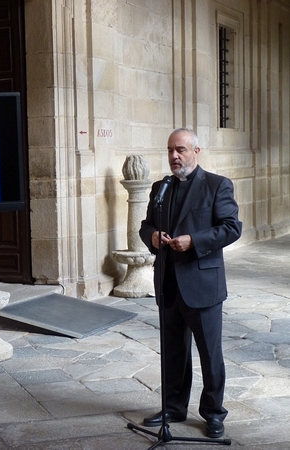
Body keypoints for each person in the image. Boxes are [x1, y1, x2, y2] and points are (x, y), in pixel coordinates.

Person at [139, 128, 242, 438]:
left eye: (181, 149)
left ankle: (213, 413)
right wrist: (153, 238)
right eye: (171, 149)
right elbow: (146, 227)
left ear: (196, 152)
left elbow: (231, 228)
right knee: (172, 351)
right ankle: (173, 406)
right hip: (168, 283)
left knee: (210, 353)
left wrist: (194, 241)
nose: (174, 156)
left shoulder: (216, 185)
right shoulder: (160, 187)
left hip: (202, 285)